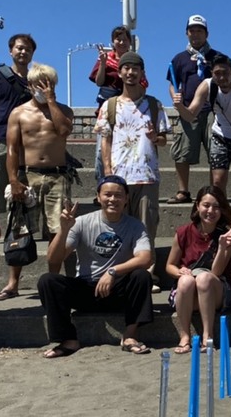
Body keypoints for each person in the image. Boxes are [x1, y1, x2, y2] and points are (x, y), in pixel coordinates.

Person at [37, 175, 154, 358]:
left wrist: (113, 271)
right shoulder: (82, 222)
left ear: (126, 198)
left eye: (118, 195)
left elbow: (146, 258)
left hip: (118, 290)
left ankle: (130, 335)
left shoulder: (135, 226)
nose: (113, 199)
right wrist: (64, 230)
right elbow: (54, 259)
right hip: (87, 289)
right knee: (48, 281)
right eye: (107, 194)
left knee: (142, 276)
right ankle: (68, 339)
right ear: (98, 197)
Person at [0, 63, 74, 301]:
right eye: (39, 85)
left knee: (57, 230)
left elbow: (63, 131)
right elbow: (11, 149)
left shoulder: (64, 110)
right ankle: (13, 283)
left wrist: (50, 101)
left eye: (48, 84)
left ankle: (53, 281)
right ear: (30, 86)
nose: (44, 88)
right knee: (19, 229)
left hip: (57, 176)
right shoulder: (18, 113)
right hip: (27, 175)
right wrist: (13, 179)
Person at [95, 51, 170, 294]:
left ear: (142, 73)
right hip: (119, 178)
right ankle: (117, 272)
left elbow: (163, 141)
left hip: (147, 175)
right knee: (118, 227)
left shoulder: (155, 105)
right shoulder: (111, 105)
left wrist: (154, 137)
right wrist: (107, 171)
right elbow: (105, 139)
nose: (130, 72)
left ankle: (147, 275)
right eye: (125, 68)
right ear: (120, 72)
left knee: (147, 227)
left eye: (135, 68)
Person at [164, 186, 231, 354]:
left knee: (205, 278)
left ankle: (208, 336)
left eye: (216, 206)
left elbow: (216, 272)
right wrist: (180, 272)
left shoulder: (227, 235)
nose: (211, 211)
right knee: (185, 281)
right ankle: (185, 336)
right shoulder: (184, 232)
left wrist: (222, 248)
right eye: (206, 205)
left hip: (216, 290)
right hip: (188, 292)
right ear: (197, 206)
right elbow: (169, 266)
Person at [173, 54, 231, 205]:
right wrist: (180, 107)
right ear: (211, 73)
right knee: (217, 181)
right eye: (217, 73)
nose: (222, 77)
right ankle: (222, 219)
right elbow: (191, 115)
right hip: (221, 136)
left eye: (225, 73)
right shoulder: (207, 85)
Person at [0, 33, 35, 241]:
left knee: (22, 185)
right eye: (19, 48)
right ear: (11, 50)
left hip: (27, 142)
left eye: (27, 49)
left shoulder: (34, 80)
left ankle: (19, 228)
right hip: (0, 137)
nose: (23, 51)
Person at [165, 15, 221, 205]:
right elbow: (172, 84)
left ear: (206, 33)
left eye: (199, 30)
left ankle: (215, 192)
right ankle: (183, 191)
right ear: (187, 33)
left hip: (214, 110)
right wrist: (175, 98)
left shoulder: (217, 58)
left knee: (216, 152)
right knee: (182, 151)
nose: (195, 34)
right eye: (192, 30)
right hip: (189, 110)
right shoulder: (179, 59)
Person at [88, 25, 146, 181]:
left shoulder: (134, 61)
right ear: (113, 41)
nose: (121, 42)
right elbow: (99, 82)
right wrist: (102, 63)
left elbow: (143, 86)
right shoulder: (106, 58)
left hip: (129, 110)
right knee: (102, 151)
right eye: (118, 39)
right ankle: (102, 185)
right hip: (108, 109)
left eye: (125, 39)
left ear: (130, 42)